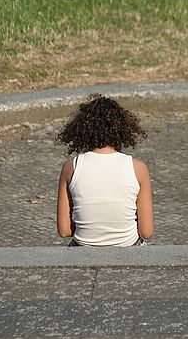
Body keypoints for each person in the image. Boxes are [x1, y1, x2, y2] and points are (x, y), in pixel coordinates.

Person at [55, 94, 154, 246]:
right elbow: (146, 232)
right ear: (123, 129)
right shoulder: (138, 168)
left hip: (84, 249)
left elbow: (64, 230)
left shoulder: (71, 167)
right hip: (128, 249)